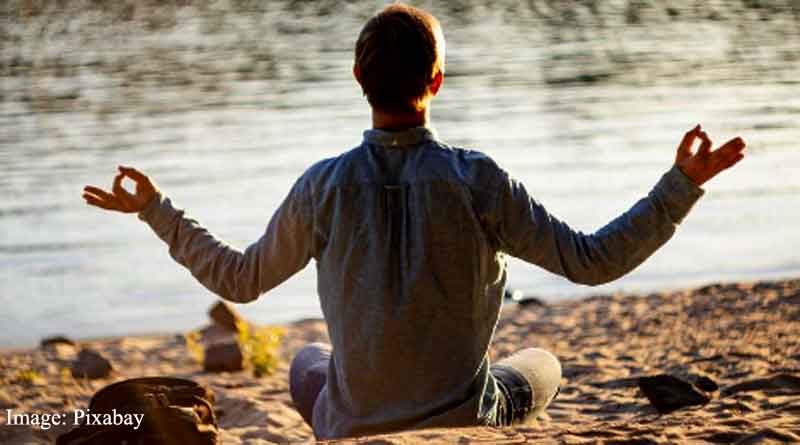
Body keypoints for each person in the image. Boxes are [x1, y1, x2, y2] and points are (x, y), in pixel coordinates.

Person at [82, 3, 746, 440]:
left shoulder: (324, 184)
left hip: (352, 422)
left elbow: (240, 277)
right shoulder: (476, 177)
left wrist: (155, 209)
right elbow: (593, 259)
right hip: (467, 414)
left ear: (356, 79)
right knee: (545, 361)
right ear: (436, 82)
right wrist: (680, 185)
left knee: (308, 362)